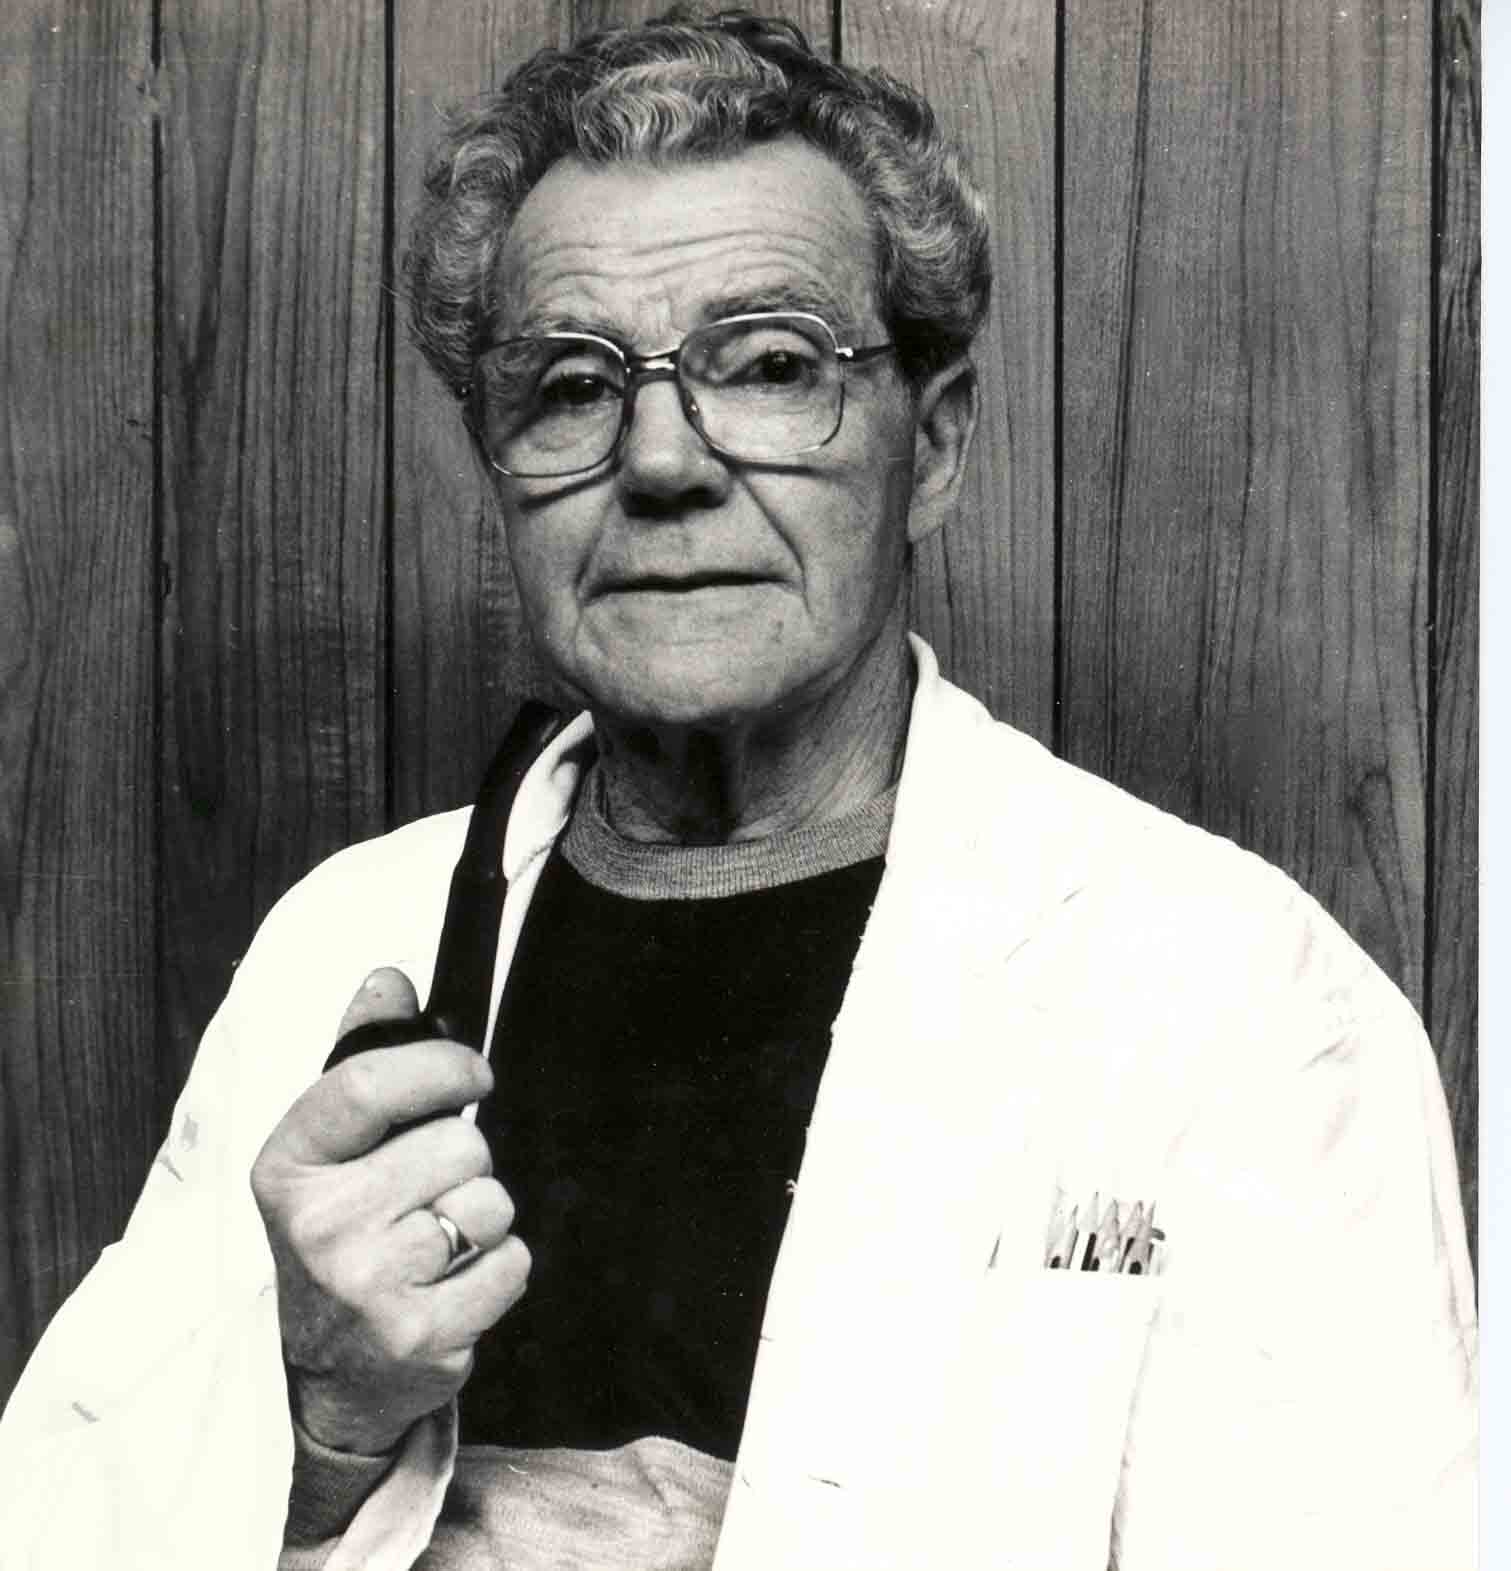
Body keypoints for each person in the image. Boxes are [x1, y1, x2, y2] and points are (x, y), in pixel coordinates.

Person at [0, 10, 1476, 1570]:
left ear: (941, 444)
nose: (661, 460)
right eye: (570, 385)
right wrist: (322, 1433)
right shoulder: (339, 945)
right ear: (495, 461)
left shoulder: (1244, 1005)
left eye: (768, 366)